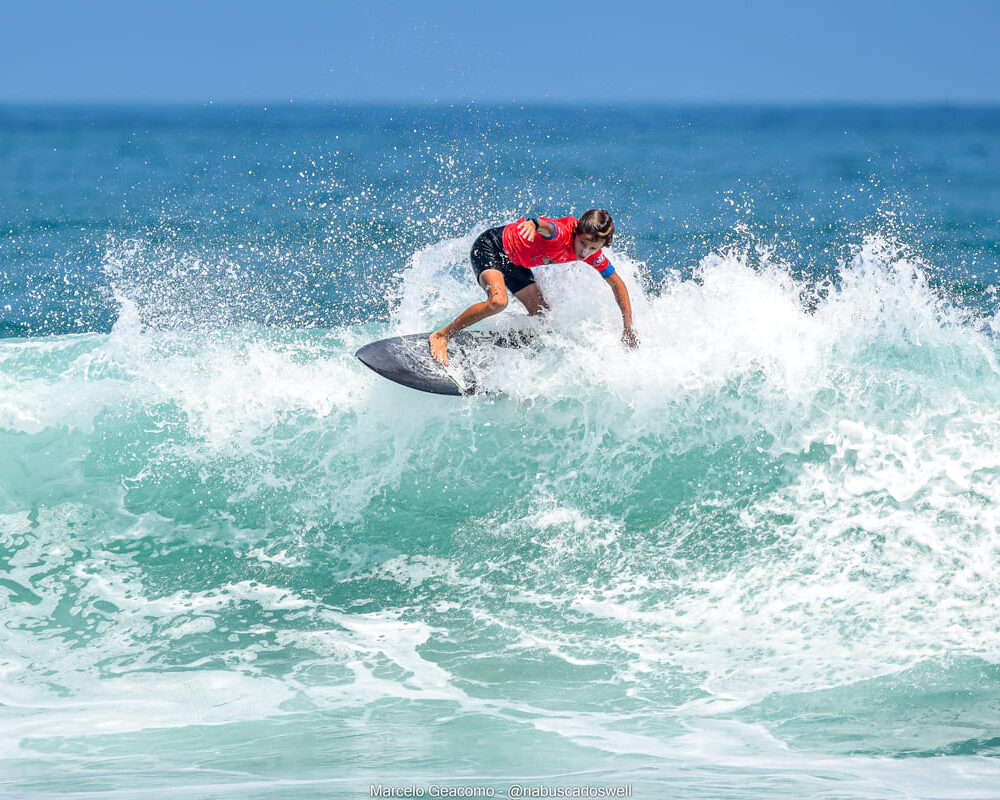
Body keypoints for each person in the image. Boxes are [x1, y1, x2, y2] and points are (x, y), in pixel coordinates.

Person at [429, 209, 639, 365]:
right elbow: (548, 226)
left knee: (543, 316)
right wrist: (533, 224)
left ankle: (516, 350)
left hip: (515, 264)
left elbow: (617, 284)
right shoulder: (563, 233)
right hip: (491, 247)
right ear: (577, 232)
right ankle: (441, 335)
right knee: (498, 301)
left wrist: (628, 327)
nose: (584, 252)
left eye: (593, 248)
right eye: (583, 243)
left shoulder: (593, 255)